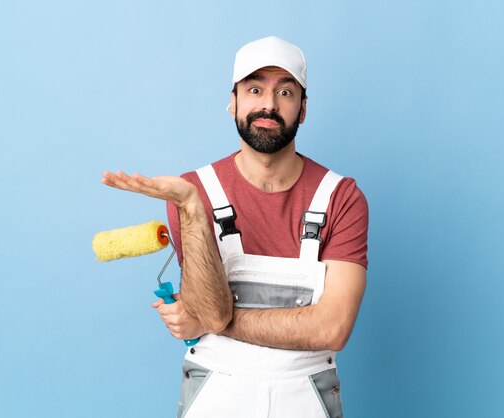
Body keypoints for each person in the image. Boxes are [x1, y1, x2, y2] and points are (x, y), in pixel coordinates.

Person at [102, 36, 368, 418]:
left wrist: (216, 321)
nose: (268, 104)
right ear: (233, 103)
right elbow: (209, 308)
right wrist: (191, 209)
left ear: (303, 109)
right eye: (254, 89)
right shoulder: (193, 192)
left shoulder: (341, 197)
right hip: (215, 394)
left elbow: (331, 329)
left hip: (306, 397)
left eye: (285, 91)